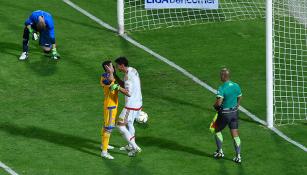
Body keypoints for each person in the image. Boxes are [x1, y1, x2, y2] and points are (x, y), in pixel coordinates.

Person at [113, 56, 142, 157]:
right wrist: (115, 76)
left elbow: (128, 92)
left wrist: (116, 87)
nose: (116, 67)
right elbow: (124, 84)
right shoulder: (132, 70)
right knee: (130, 124)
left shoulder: (128, 77)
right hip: (138, 103)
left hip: (131, 106)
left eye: (117, 66)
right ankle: (131, 147)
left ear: (122, 65)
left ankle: (134, 146)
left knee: (120, 125)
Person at [100, 60, 129, 159]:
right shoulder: (105, 78)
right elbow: (113, 84)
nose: (114, 67)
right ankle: (104, 152)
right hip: (110, 107)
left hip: (111, 105)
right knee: (108, 128)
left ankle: (103, 144)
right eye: (112, 66)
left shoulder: (110, 76)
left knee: (105, 126)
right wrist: (111, 73)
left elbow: (119, 83)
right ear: (108, 68)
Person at [213, 68, 242, 163]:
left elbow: (218, 103)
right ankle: (238, 156)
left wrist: (215, 106)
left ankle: (220, 151)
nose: (219, 77)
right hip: (234, 113)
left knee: (217, 130)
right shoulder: (236, 85)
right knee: (235, 134)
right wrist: (237, 106)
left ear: (223, 76)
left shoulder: (222, 88)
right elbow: (239, 96)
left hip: (225, 113)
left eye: (220, 75)